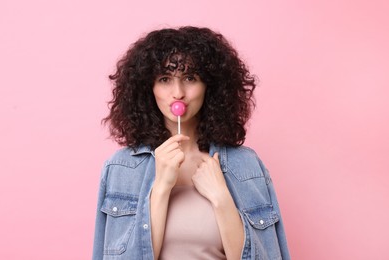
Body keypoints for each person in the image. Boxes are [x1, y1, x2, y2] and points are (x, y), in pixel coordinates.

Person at [92, 26, 290, 260]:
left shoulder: (247, 166)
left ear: (211, 86)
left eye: (190, 78)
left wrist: (221, 199)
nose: (178, 92)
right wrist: (161, 188)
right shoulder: (121, 168)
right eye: (165, 79)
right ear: (148, 88)